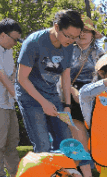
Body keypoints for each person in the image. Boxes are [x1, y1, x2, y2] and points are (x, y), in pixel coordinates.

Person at [16, 9, 84, 153]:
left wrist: (67, 105)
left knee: (65, 141)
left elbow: (65, 77)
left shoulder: (68, 46)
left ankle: (59, 174)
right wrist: (43, 103)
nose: (71, 41)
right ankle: (44, 175)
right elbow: (22, 78)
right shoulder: (34, 42)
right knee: (43, 145)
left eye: (75, 38)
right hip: (30, 96)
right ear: (57, 26)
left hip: (51, 95)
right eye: (68, 36)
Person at [67, 15, 104, 177]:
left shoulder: (100, 53)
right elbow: (62, 76)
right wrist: (74, 92)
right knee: (80, 139)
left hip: (96, 97)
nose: (83, 34)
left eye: (87, 31)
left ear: (92, 34)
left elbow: (106, 78)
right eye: (80, 31)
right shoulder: (67, 51)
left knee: (99, 139)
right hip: (73, 97)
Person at [0, 18, 22, 177]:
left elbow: (12, 75)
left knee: (12, 141)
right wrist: (19, 97)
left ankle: (16, 176)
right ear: (3, 35)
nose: (15, 43)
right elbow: (2, 77)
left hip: (8, 103)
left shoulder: (8, 51)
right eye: (14, 39)